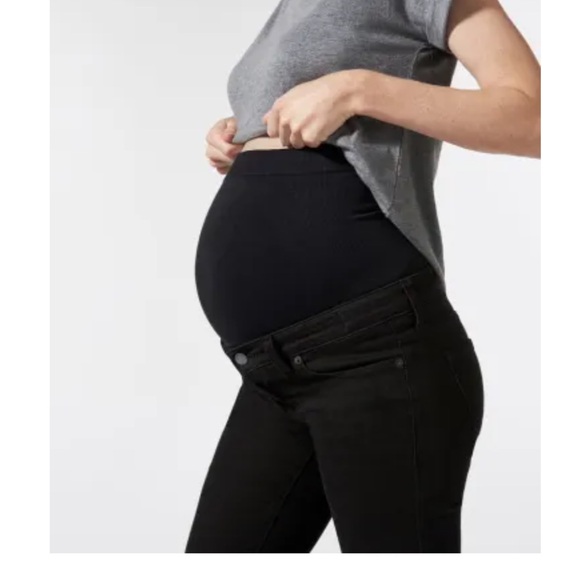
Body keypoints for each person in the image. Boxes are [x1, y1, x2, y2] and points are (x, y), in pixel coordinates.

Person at [186, 0, 540, 553]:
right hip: (276, 371)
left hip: (378, 357)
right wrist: (247, 141)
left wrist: (358, 89)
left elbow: (536, 118)